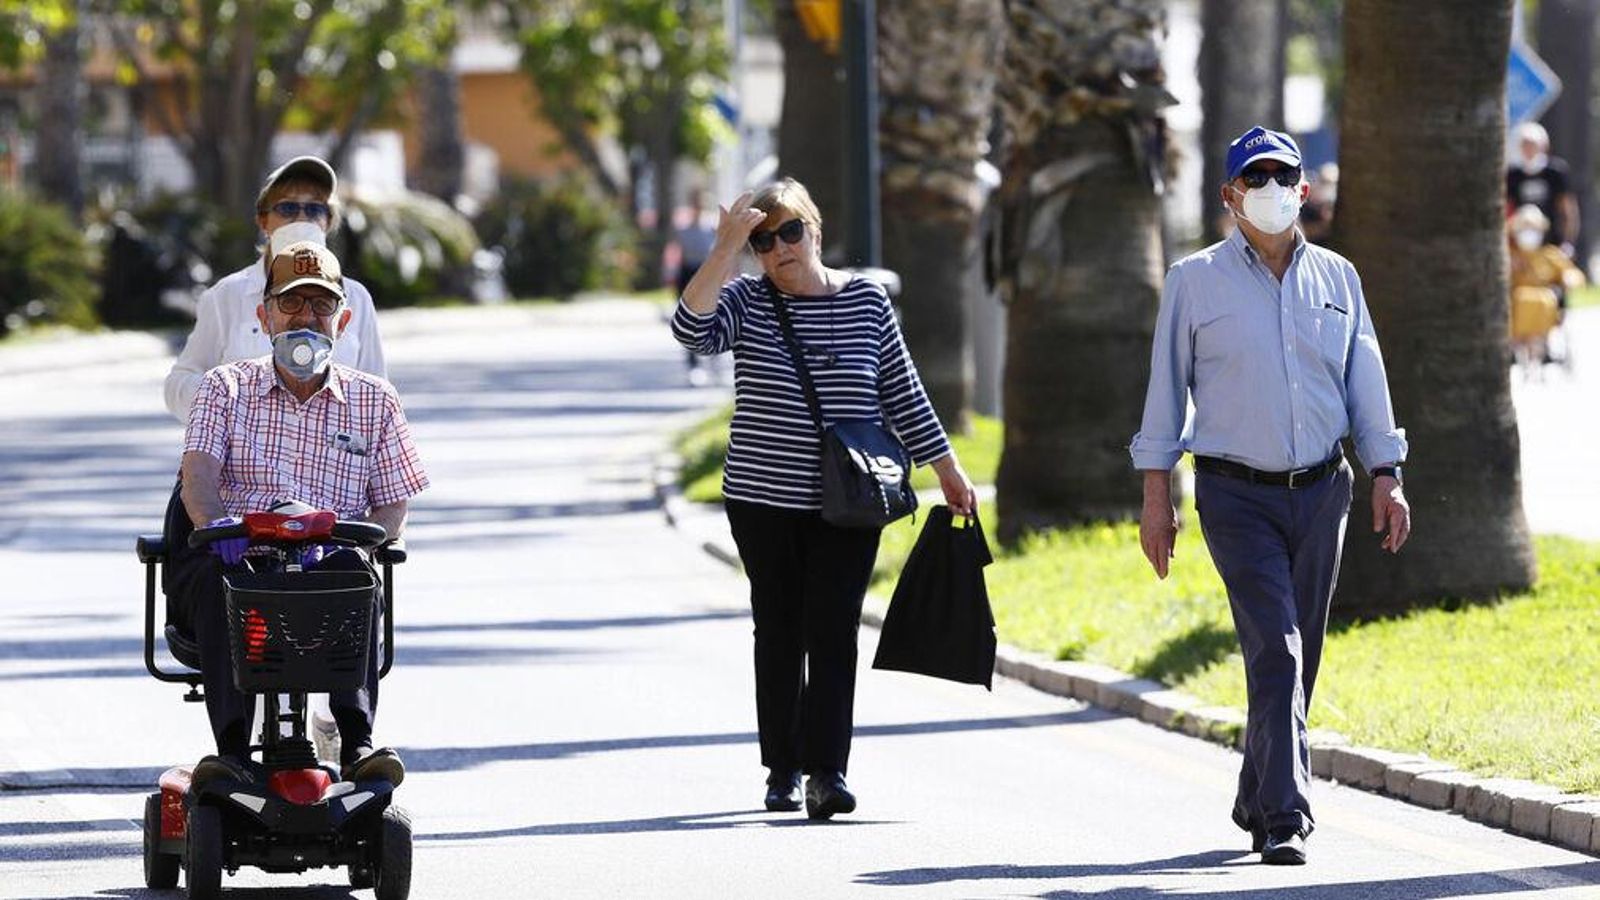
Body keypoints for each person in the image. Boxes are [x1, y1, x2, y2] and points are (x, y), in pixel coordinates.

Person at [1130, 126, 1411, 865]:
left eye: (1284, 174)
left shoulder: (1339, 279)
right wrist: (1157, 496)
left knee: (1300, 657)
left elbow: (1367, 383)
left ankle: (1257, 790)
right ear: (1230, 195)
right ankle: (1286, 816)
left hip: (1324, 492)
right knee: (1277, 651)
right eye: (1255, 177)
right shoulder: (1194, 281)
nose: (1272, 187)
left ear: (1304, 189)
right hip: (1234, 493)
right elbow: (1165, 393)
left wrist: (1388, 474)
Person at [671, 178, 977, 819]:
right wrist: (725, 247)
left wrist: (946, 467)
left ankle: (827, 772)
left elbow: (902, 388)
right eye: (763, 240)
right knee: (779, 628)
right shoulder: (748, 301)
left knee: (834, 629)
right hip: (762, 497)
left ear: (815, 228)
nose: (779, 248)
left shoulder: (865, 300)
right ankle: (781, 768)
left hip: (852, 497)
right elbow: (691, 329)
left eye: (789, 231)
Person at [168, 240, 429, 787]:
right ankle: (233, 753)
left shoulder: (375, 400)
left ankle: (357, 744)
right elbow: (198, 477)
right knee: (225, 581)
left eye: (321, 305)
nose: (306, 318)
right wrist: (218, 528)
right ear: (264, 316)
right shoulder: (224, 388)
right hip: (242, 559)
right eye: (292, 304)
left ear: (343, 320)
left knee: (355, 579)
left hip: (324, 565)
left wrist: (358, 541)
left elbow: (392, 503)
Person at [165, 155, 386, 424]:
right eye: (288, 208)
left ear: (328, 222)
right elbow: (179, 384)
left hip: (328, 460)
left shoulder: (356, 298)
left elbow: (377, 395)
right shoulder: (226, 296)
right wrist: (228, 409)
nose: (301, 219)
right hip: (247, 461)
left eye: (315, 210)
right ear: (263, 221)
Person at [1508, 204, 1584, 366]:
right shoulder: (1510, 256)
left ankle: (1540, 344)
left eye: (1533, 228)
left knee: (1544, 299)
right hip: (1516, 304)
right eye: (1524, 228)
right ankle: (1520, 345)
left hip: (1546, 303)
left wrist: (1569, 278)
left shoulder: (1550, 254)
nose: (1529, 233)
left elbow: (1572, 274)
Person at [1506, 122, 1580, 257]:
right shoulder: (1513, 175)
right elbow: (1507, 208)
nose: (1529, 149)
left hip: (1552, 241)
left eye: (1532, 145)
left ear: (1543, 146)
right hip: (1520, 243)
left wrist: (1567, 242)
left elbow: (1568, 209)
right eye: (1525, 144)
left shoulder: (1555, 172)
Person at [673, 189, 720, 385]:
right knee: (689, 321)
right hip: (687, 274)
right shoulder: (683, 229)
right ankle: (693, 365)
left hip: (706, 274)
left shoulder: (711, 226)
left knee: (712, 318)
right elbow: (679, 255)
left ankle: (714, 360)